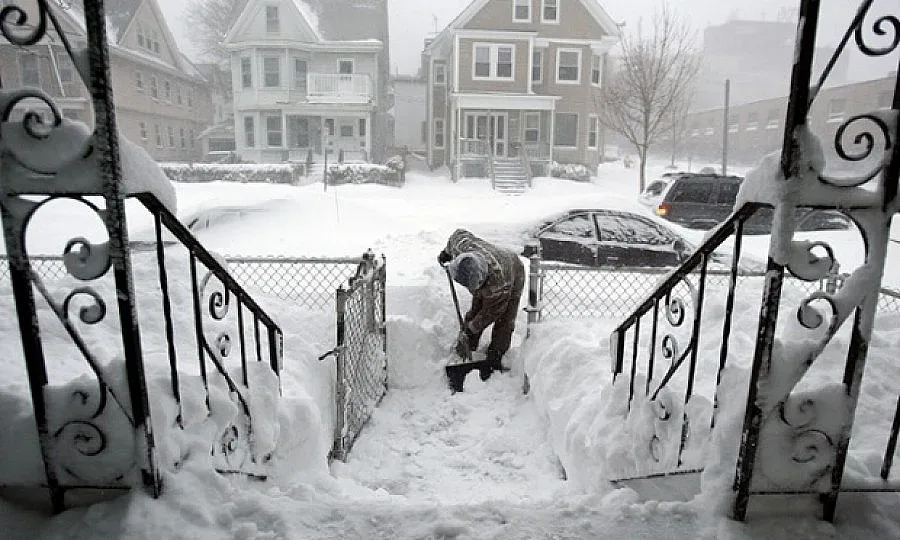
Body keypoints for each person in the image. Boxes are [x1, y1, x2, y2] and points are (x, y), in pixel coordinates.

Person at [438, 228, 525, 377]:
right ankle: (466, 347)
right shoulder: (462, 245)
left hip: (513, 271)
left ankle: (495, 357)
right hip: (490, 263)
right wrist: (446, 253)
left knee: (504, 321)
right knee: (475, 311)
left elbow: (491, 313)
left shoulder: (498, 284)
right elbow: (458, 233)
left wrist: (471, 327)